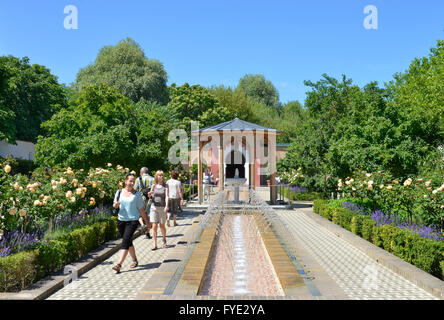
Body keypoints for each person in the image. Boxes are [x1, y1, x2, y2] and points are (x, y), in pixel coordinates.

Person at [112, 173, 149, 273]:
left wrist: (146, 223)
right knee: (128, 242)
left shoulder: (137, 195)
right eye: (130, 181)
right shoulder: (119, 192)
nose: (132, 183)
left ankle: (119, 264)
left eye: (134, 181)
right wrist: (116, 204)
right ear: (125, 181)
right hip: (121, 221)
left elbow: (141, 210)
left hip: (132, 221)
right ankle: (135, 260)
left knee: (125, 241)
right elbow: (114, 206)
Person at [148, 170, 169, 250]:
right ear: (156, 177)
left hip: (162, 208)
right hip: (154, 207)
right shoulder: (154, 185)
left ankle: (164, 239)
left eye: (162, 175)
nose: (161, 177)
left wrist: (166, 206)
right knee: (154, 226)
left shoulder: (165, 186)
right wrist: (149, 194)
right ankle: (155, 244)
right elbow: (150, 194)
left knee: (162, 225)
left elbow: (167, 196)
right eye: (159, 175)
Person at [134, 167, 154, 239]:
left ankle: (142, 224)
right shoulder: (152, 179)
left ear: (141, 173)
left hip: (140, 200)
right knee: (148, 216)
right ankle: (148, 232)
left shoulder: (138, 179)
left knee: (140, 215)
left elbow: (134, 190)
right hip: (150, 200)